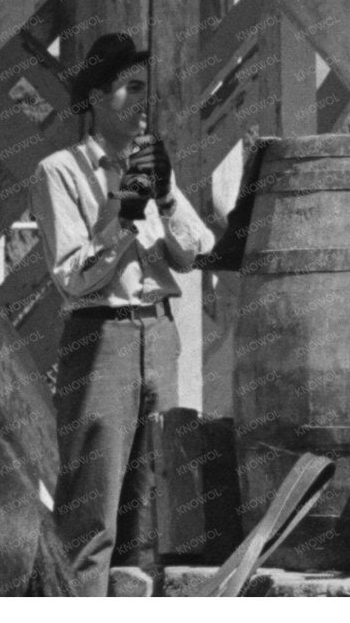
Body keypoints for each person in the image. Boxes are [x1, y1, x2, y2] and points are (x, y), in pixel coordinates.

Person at [30, 32, 215, 596]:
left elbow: (196, 252)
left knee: (156, 502)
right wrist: (125, 213)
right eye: (129, 89)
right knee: (93, 508)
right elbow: (72, 276)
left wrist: (161, 197)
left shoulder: (151, 166)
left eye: (147, 91)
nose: (141, 104)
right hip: (102, 337)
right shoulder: (59, 171)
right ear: (94, 98)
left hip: (159, 335)